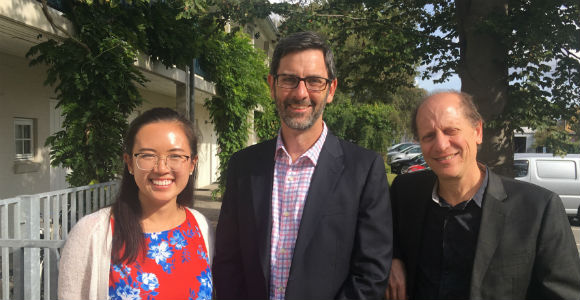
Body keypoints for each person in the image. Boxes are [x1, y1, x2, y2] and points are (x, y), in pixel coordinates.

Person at [212, 31, 392, 300]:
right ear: (272, 85)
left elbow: (371, 271)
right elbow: (228, 259)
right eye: (289, 79)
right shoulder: (243, 166)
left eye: (314, 81)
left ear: (330, 90)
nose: (300, 93)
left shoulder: (364, 170)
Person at [386, 91, 580, 300]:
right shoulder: (405, 193)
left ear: (477, 131)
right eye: (429, 136)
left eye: (451, 131)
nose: (441, 145)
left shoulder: (538, 209)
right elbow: (379, 238)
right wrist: (392, 259)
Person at [58, 108, 213, 300]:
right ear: (129, 163)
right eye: (147, 155)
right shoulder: (92, 233)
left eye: (175, 156)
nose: (161, 168)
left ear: (192, 164)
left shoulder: (202, 228)